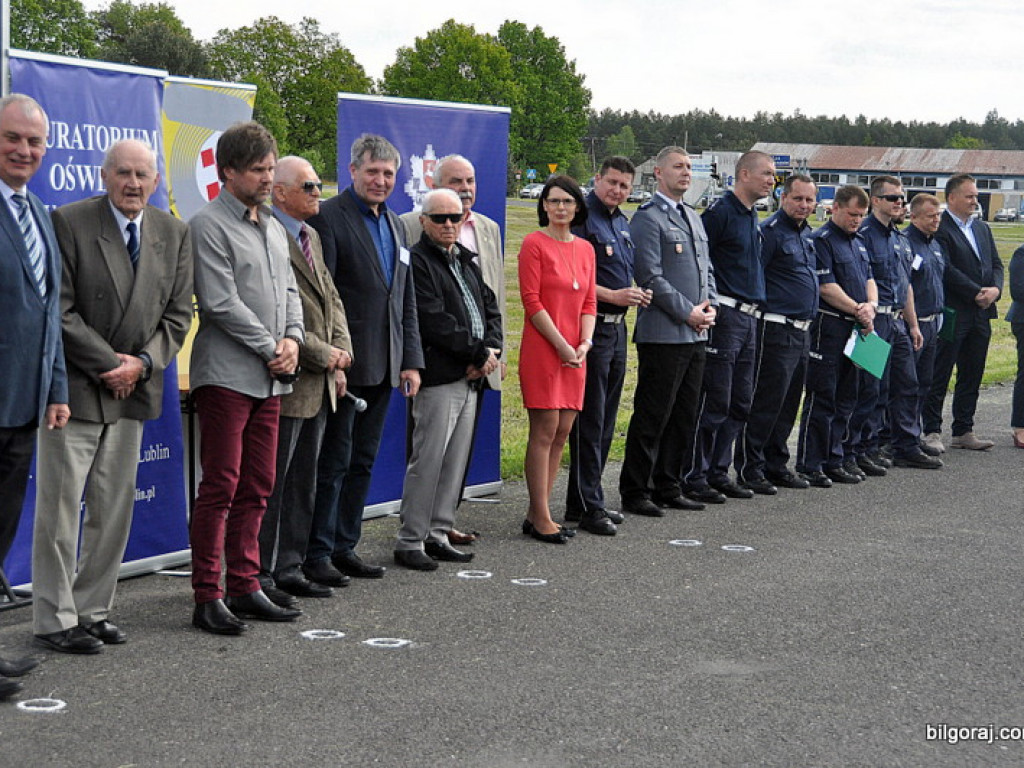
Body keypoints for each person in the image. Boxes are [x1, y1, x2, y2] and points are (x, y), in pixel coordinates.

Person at [32, 139, 192, 654]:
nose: (133, 183)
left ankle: (92, 610)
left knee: (113, 509)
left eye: (143, 175)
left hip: (134, 391)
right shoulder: (71, 222)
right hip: (78, 388)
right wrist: (109, 365)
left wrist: (142, 364)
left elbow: (177, 316)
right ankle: (55, 619)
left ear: (156, 180)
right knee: (60, 510)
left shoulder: (173, 232)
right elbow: (59, 309)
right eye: (123, 173)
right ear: (104, 176)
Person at [189, 121, 304, 635]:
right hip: (228, 377)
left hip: (273, 379)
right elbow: (219, 303)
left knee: (258, 484)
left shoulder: (275, 227)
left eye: (270, 168)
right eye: (258, 171)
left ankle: (245, 582)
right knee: (221, 485)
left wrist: (294, 341)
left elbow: (291, 296)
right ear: (228, 171)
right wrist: (270, 348)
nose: (267, 178)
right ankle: (207, 595)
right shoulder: (208, 225)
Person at [307, 134, 422, 581]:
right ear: (352, 171)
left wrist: (409, 360)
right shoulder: (329, 219)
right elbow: (323, 298)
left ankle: (344, 545)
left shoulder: (396, 224)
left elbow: (404, 298)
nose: (380, 180)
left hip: (385, 364)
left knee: (362, 462)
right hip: (345, 364)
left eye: (388, 173)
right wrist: (333, 361)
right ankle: (317, 553)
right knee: (332, 462)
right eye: (371, 171)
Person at [257, 156, 353, 600]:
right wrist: (324, 354)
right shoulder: (267, 233)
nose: (318, 192)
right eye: (309, 186)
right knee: (272, 483)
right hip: (289, 378)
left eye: (318, 184)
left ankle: (291, 564)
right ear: (279, 192)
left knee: (303, 481)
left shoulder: (310, 234)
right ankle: (261, 571)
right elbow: (276, 313)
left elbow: (331, 299)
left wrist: (342, 352)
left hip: (319, 382)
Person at [399, 153, 505, 546]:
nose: (448, 224)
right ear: (424, 220)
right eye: (440, 218)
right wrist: (478, 354)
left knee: (456, 461)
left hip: (472, 376)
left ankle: (439, 532)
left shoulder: (466, 259)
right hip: (441, 374)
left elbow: (491, 306)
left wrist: (491, 352)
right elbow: (435, 319)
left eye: (454, 218)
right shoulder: (419, 260)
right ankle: (412, 538)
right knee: (428, 461)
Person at [0, 94, 68, 698]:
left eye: (34, 142)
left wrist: (56, 388)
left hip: (23, 406)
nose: (24, 150)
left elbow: (49, 312)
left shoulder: (39, 212)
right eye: (12, 138)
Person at [618, 147, 715, 516]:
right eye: (678, 166)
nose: (686, 173)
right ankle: (636, 490)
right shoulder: (648, 218)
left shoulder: (692, 216)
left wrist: (710, 306)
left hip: (696, 333)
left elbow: (706, 270)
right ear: (658, 173)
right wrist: (687, 312)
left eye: (689, 167)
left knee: (684, 414)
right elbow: (650, 276)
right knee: (653, 414)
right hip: (664, 333)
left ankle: (668, 485)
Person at [565, 156, 648, 536]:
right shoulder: (583, 218)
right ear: (596, 179)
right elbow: (575, 279)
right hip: (592, 327)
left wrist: (631, 295)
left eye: (624, 186)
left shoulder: (621, 222)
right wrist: (613, 295)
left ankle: (584, 498)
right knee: (591, 419)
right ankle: (588, 505)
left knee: (606, 420)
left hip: (617, 330)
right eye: (612, 182)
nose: (617, 190)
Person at [685, 150, 774, 504]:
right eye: (766, 173)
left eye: (774, 175)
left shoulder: (752, 216)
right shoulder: (722, 213)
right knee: (716, 399)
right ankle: (696, 474)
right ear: (744, 174)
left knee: (741, 401)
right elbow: (701, 261)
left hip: (751, 317)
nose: (772, 180)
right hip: (726, 314)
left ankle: (720, 471)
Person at [518, 175, 596, 543]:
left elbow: (589, 301)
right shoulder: (534, 244)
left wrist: (584, 342)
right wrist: (563, 346)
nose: (561, 207)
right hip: (545, 349)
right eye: (554, 201)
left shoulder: (585, 249)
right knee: (545, 429)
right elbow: (532, 302)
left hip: (576, 352)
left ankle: (538, 512)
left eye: (567, 201)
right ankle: (543, 517)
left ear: (578, 206)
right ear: (544, 205)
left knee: (563, 431)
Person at [734, 174, 818, 493]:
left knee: (788, 403)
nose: (804, 205)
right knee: (766, 401)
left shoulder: (808, 236)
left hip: (802, 332)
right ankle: (751, 467)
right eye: (798, 199)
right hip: (775, 328)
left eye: (809, 200)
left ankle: (776, 463)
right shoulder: (769, 233)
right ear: (783, 198)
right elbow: (755, 278)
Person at [852, 176, 940, 471]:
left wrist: (913, 325)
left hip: (898, 320)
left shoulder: (899, 239)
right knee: (872, 388)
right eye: (893, 198)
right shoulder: (863, 233)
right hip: (874, 321)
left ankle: (905, 445)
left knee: (906, 384)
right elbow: (860, 279)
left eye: (902, 198)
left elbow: (907, 286)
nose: (899, 203)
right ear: (876, 200)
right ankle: (867, 446)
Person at [795, 185, 877, 487]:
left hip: (857, 327)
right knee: (823, 397)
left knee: (848, 397)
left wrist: (871, 307)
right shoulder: (822, 241)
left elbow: (870, 278)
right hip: (830, 327)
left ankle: (835, 457)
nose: (857, 220)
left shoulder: (859, 242)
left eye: (861, 216)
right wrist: (859, 309)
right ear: (836, 208)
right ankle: (811, 463)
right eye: (853, 214)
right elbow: (826, 287)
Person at [923, 174, 1003, 451]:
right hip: (954, 311)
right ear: (952, 198)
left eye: (975, 195)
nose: (975, 200)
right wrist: (975, 292)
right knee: (940, 371)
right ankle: (931, 430)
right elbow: (945, 268)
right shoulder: (940, 228)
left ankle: (963, 430)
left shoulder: (981, 228)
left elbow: (995, 264)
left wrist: (995, 290)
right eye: (969, 196)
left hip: (981, 314)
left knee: (973, 372)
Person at [903, 194, 947, 452]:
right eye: (930, 216)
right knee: (906, 384)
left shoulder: (935, 245)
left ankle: (914, 433)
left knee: (924, 383)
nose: (936, 220)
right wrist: (913, 323)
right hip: (913, 323)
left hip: (933, 323)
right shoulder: (907, 244)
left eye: (938, 215)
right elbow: (906, 284)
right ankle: (900, 437)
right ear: (914, 216)